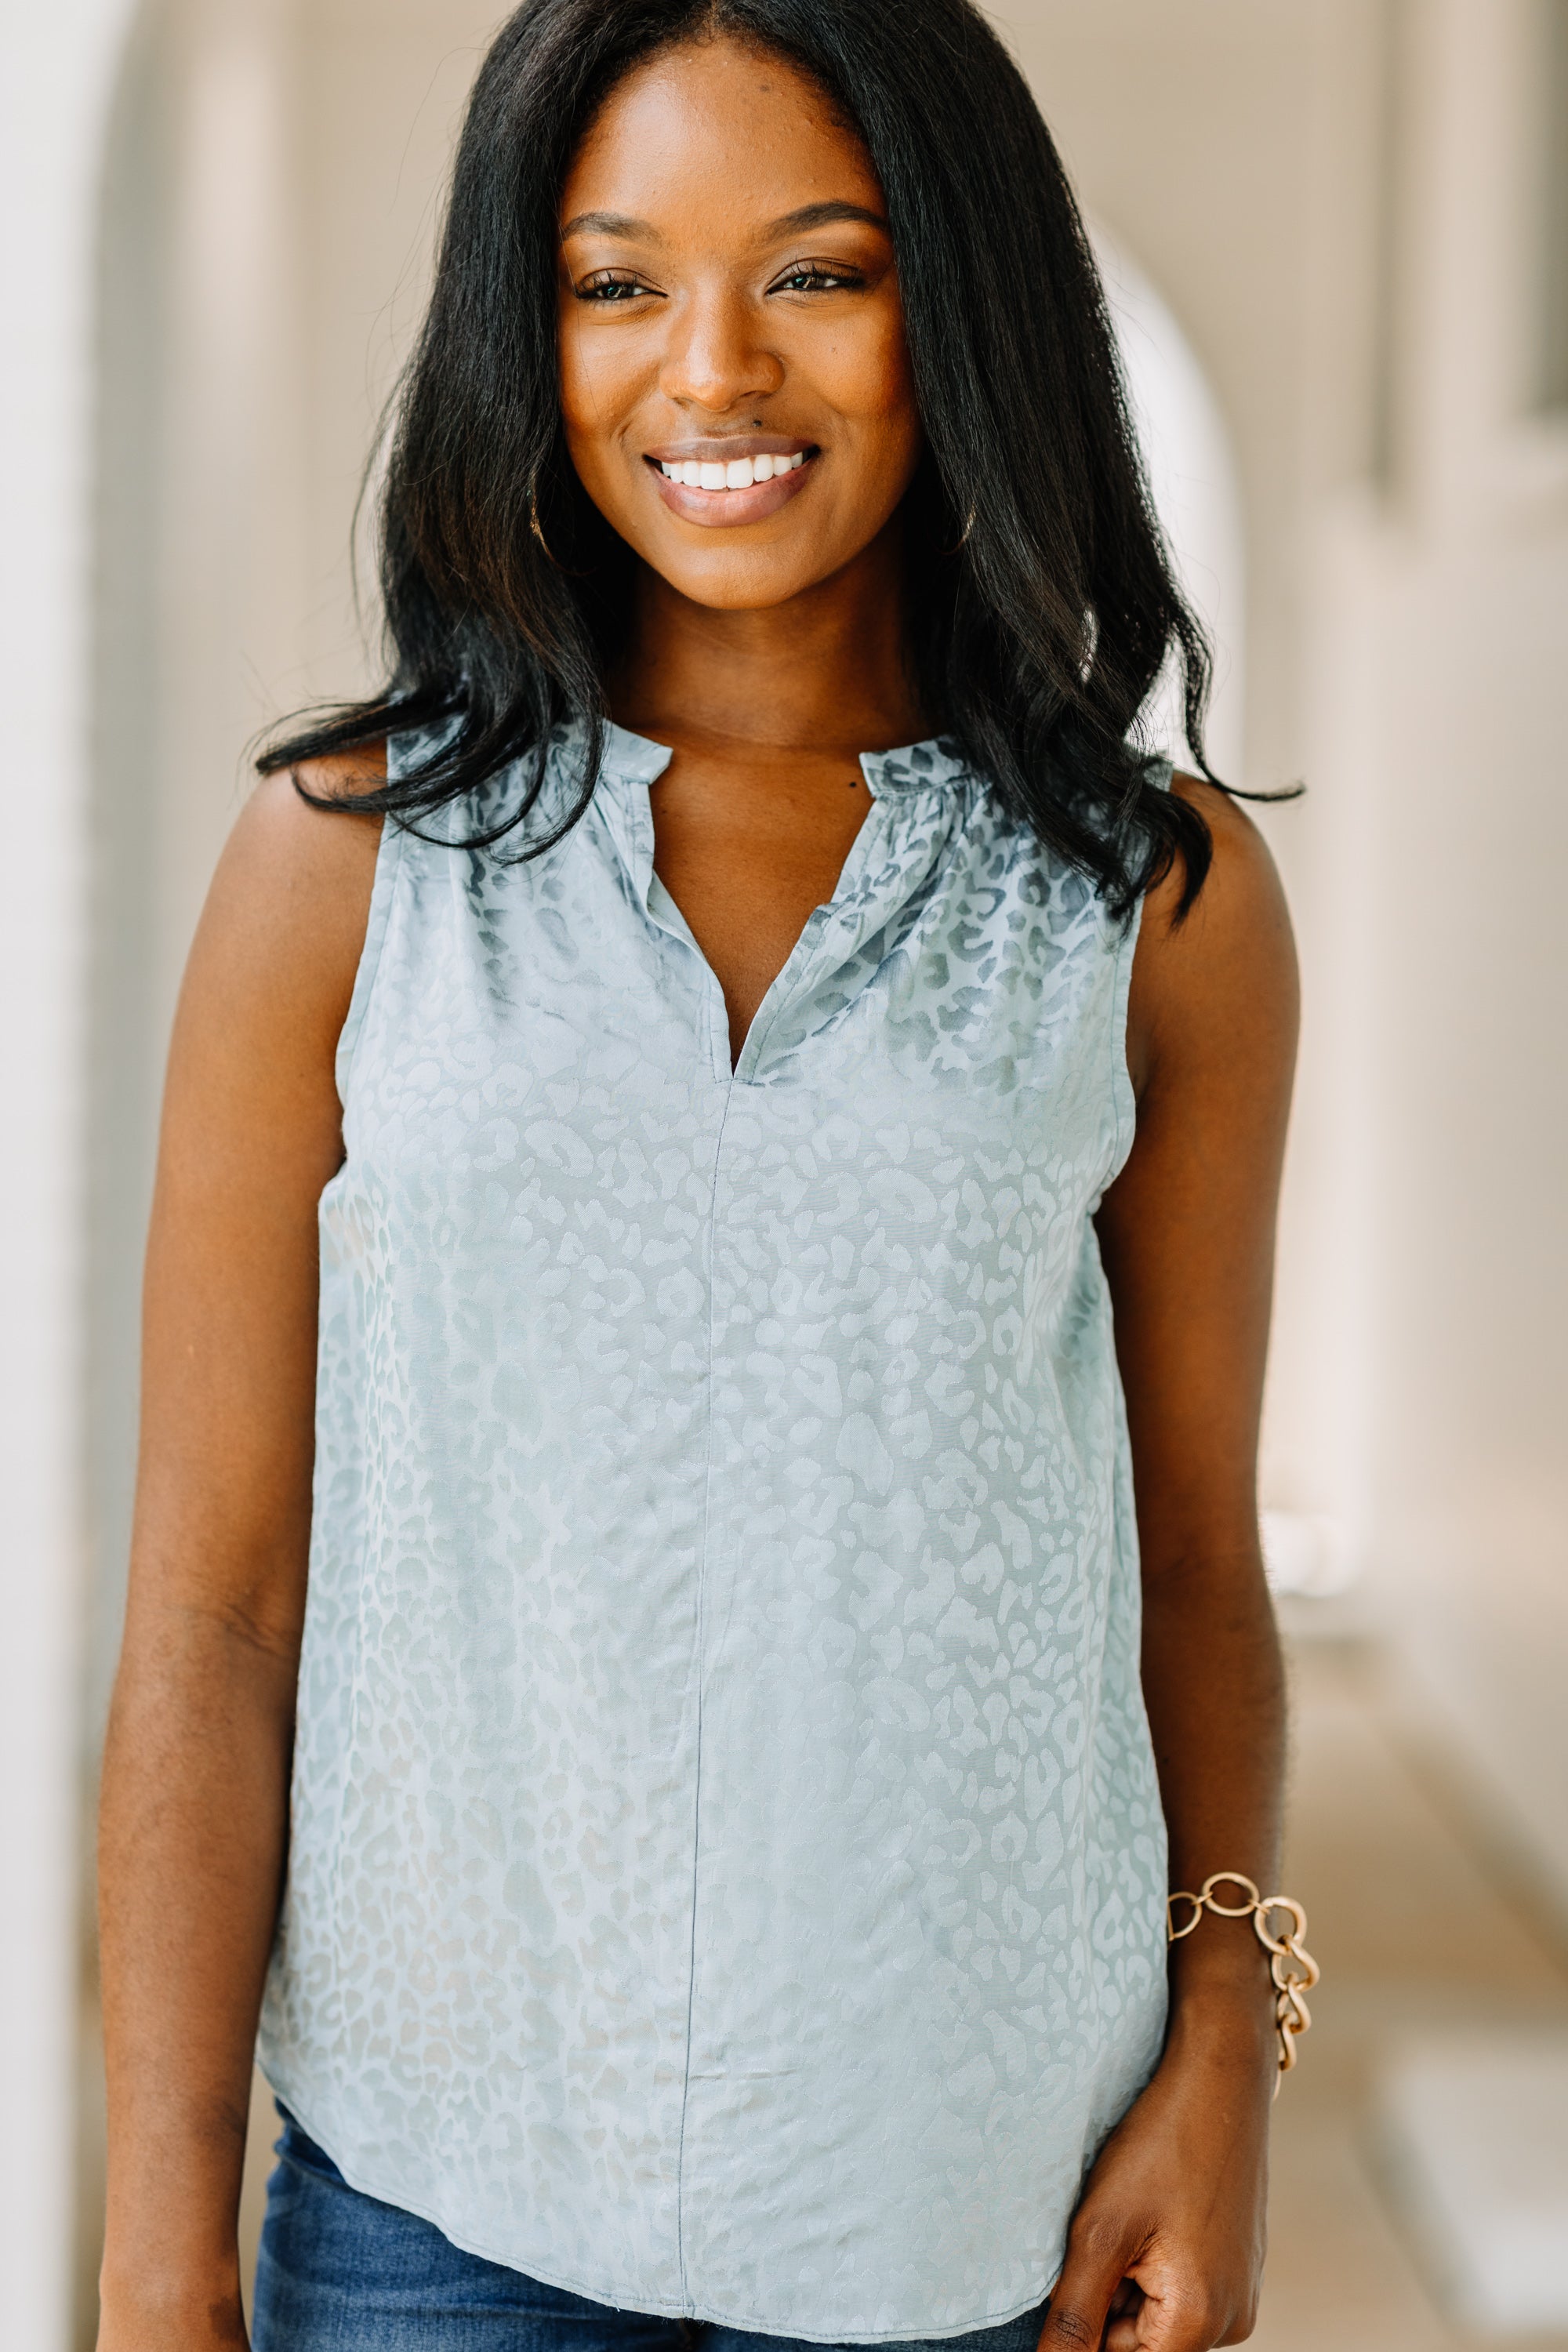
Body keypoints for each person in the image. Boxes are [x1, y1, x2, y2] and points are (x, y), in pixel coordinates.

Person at [96, 3, 1301, 2347]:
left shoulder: (1154, 905)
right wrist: (154, 2260)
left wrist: (1228, 2059)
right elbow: (215, 1614)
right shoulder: (346, 872)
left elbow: (1190, 1572)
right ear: (521, 339)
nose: (715, 373)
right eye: (618, 281)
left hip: (977, 2222)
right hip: (434, 2221)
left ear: (958, 303)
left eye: (822, 272)